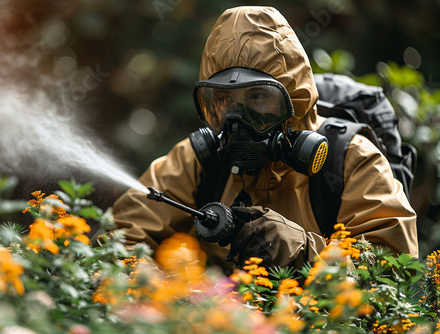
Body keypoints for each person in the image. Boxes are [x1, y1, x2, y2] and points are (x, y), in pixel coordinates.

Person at [112, 6, 418, 272]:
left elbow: (388, 273)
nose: (236, 118)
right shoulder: (198, 160)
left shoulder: (349, 160)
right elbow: (121, 238)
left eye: (257, 96)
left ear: (293, 102)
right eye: (223, 100)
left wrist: (303, 251)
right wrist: (175, 298)